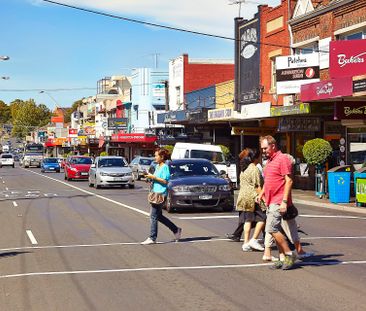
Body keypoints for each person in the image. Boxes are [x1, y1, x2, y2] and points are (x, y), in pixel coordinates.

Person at [257, 135, 296, 270]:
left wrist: (285, 201)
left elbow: (289, 180)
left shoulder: (282, 159)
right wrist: (261, 194)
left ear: (273, 146)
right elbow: (268, 182)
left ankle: (289, 254)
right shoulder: (269, 162)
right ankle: (282, 258)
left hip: (278, 200)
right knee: (275, 230)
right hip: (270, 200)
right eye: (262, 148)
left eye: (265, 148)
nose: (264, 151)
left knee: (271, 228)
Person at [141, 148, 182, 245]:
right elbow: (156, 179)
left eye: (156, 156)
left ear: (162, 157)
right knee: (158, 216)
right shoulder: (158, 166)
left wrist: (153, 177)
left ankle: (152, 237)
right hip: (155, 193)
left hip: (160, 194)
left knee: (153, 216)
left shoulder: (165, 167)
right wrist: (149, 176)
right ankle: (176, 229)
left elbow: (165, 181)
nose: (155, 157)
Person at [235, 148, 266, 252]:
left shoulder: (244, 168)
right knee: (263, 217)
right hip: (252, 196)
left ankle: (246, 243)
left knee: (247, 220)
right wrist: (264, 198)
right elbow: (257, 186)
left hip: (243, 196)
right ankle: (254, 239)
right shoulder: (254, 169)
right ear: (256, 158)